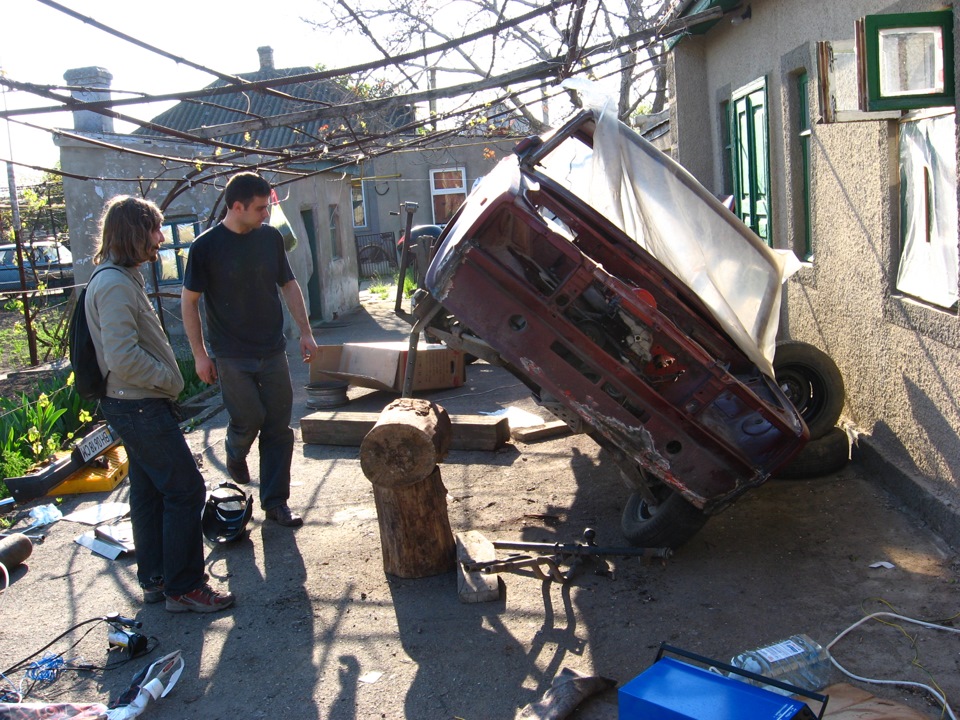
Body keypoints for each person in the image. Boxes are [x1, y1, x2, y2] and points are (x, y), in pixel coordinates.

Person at [86, 196, 235, 614]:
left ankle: (156, 579)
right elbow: (122, 357)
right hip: (139, 406)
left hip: (134, 404)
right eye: (154, 230)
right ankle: (184, 586)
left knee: (150, 491)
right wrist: (169, 380)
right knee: (186, 490)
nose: (159, 239)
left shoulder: (119, 276)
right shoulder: (114, 284)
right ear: (134, 232)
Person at [181, 172, 318, 528]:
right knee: (249, 418)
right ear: (237, 206)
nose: (266, 214)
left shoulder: (270, 238)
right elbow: (189, 302)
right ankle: (235, 448)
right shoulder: (205, 247)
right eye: (260, 208)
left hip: (272, 349)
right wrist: (200, 355)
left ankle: (276, 503)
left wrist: (305, 332)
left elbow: (289, 285)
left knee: (278, 427)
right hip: (230, 354)